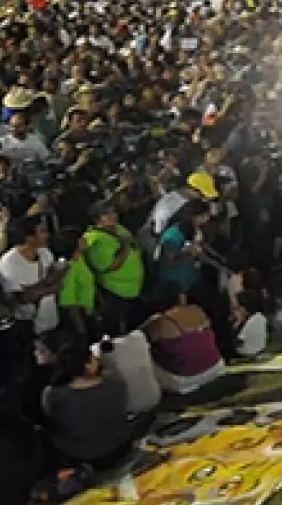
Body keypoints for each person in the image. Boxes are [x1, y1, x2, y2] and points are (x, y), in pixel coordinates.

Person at [40, 342, 134, 471]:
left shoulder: (52, 394)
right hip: (122, 446)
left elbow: (48, 414)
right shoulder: (115, 382)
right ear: (87, 364)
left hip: (84, 456)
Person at [141, 290, 224, 394]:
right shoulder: (196, 310)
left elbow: (140, 338)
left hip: (184, 380)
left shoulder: (160, 322)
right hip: (216, 366)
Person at [81, 200, 145, 332]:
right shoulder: (94, 240)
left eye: (113, 211)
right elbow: (109, 266)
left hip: (133, 289)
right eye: (106, 213)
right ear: (97, 218)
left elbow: (133, 242)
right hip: (115, 293)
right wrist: (125, 247)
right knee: (117, 329)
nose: (112, 215)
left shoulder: (118, 228)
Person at [0, 215, 63, 335]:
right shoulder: (8, 262)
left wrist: (40, 288)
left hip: (51, 320)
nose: (47, 235)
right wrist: (48, 287)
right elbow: (22, 297)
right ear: (29, 237)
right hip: (27, 327)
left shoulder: (45, 252)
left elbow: (56, 280)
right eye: (42, 231)